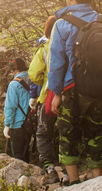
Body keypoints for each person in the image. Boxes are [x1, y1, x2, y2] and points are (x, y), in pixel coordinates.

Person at [48, 0, 102, 186]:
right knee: (98, 134)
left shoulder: (62, 24)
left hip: (74, 91)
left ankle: (74, 182)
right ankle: (98, 182)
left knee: (68, 135)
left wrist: (57, 93)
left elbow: (57, 63)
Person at [28, 16, 68, 184]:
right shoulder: (71, 45)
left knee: (44, 134)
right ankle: (68, 173)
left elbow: (34, 74)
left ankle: (50, 170)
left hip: (48, 96)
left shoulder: (45, 48)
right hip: (70, 96)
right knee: (67, 134)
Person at [4, 58, 32, 162]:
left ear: (14, 70)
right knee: (26, 149)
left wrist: (7, 125)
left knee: (18, 153)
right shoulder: (33, 79)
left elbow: (11, 106)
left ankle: (22, 176)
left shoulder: (13, 84)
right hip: (31, 122)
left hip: (17, 124)